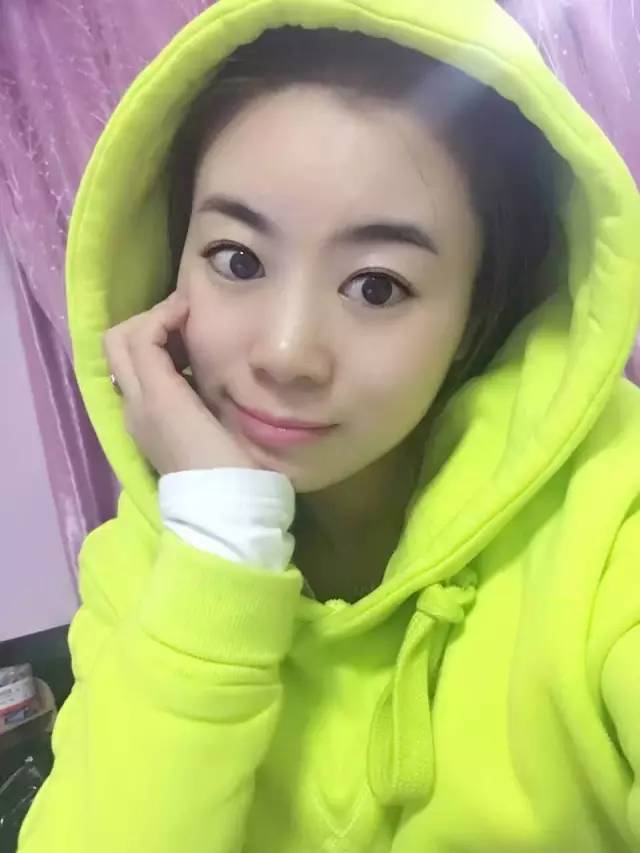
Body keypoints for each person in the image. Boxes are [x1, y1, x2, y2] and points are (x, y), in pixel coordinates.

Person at [17, 1, 640, 851]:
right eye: (238, 260)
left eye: (377, 286)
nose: (286, 354)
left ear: (477, 312)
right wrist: (221, 550)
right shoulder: (146, 556)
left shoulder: (613, 520)